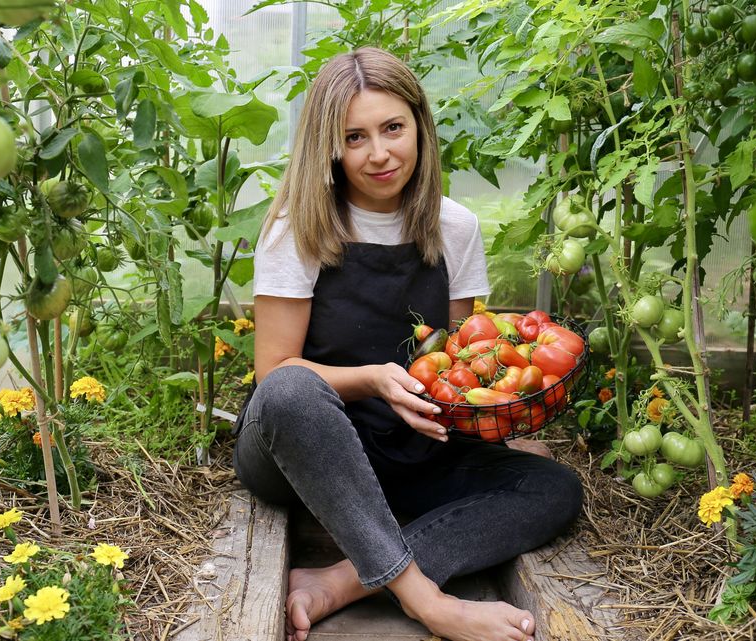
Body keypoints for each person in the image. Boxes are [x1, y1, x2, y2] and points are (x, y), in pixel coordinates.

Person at [233, 47, 583, 641]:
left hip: (410, 449)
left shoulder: (455, 228)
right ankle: (428, 602)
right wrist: (371, 379)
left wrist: (502, 408)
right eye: (355, 137)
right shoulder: (300, 226)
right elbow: (274, 372)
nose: (379, 154)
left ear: (420, 124)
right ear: (330, 147)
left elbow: (462, 364)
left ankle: (346, 579)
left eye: (393, 128)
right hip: (302, 454)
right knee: (293, 392)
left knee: (553, 488)